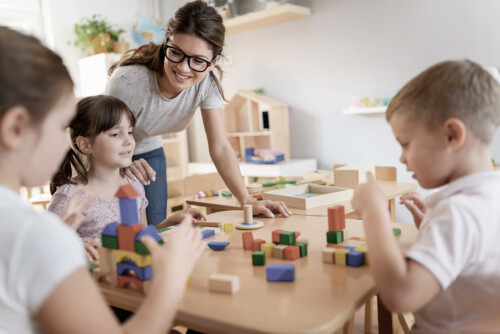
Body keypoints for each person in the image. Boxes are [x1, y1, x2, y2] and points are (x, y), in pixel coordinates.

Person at [0, 26, 204, 333]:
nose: (65, 143)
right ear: (16, 128)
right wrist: (171, 279)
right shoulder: (32, 234)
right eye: (61, 126)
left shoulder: (33, 231)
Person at [106, 0, 291, 226]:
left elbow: (220, 147)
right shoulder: (128, 82)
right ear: (166, 43)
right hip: (106, 151)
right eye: (176, 53)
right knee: (115, 230)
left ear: (213, 62)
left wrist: (246, 200)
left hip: (148, 150)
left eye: (198, 61)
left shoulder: (206, 85)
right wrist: (122, 163)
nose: (183, 68)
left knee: (154, 231)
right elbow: (98, 136)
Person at [351, 59, 500, 333]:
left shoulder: (459, 213)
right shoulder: (491, 195)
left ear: (452, 136)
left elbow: (400, 295)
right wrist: (428, 224)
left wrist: (374, 212)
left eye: (405, 144)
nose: (402, 158)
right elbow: (473, 254)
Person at [48, 95, 207, 261]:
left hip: (131, 276)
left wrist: (173, 221)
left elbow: (141, 236)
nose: (129, 141)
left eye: (130, 132)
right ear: (85, 145)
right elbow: (47, 250)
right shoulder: (70, 197)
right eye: (116, 134)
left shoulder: (134, 186)